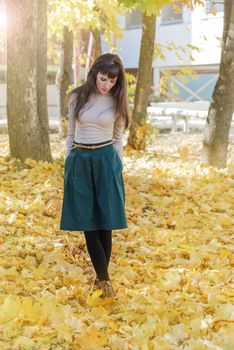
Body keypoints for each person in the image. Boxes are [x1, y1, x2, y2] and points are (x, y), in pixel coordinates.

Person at [60, 53, 130, 298]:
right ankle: (105, 280)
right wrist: (69, 159)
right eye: (103, 79)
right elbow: (70, 132)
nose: (106, 85)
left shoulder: (116, 101)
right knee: (87, 221)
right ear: (94, 74)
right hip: (80, 159)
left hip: (105, 160)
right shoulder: (77, 97)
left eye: (112, 81)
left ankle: (102, 280)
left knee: (105, 223)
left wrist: (117, 166)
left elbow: (118, 138)